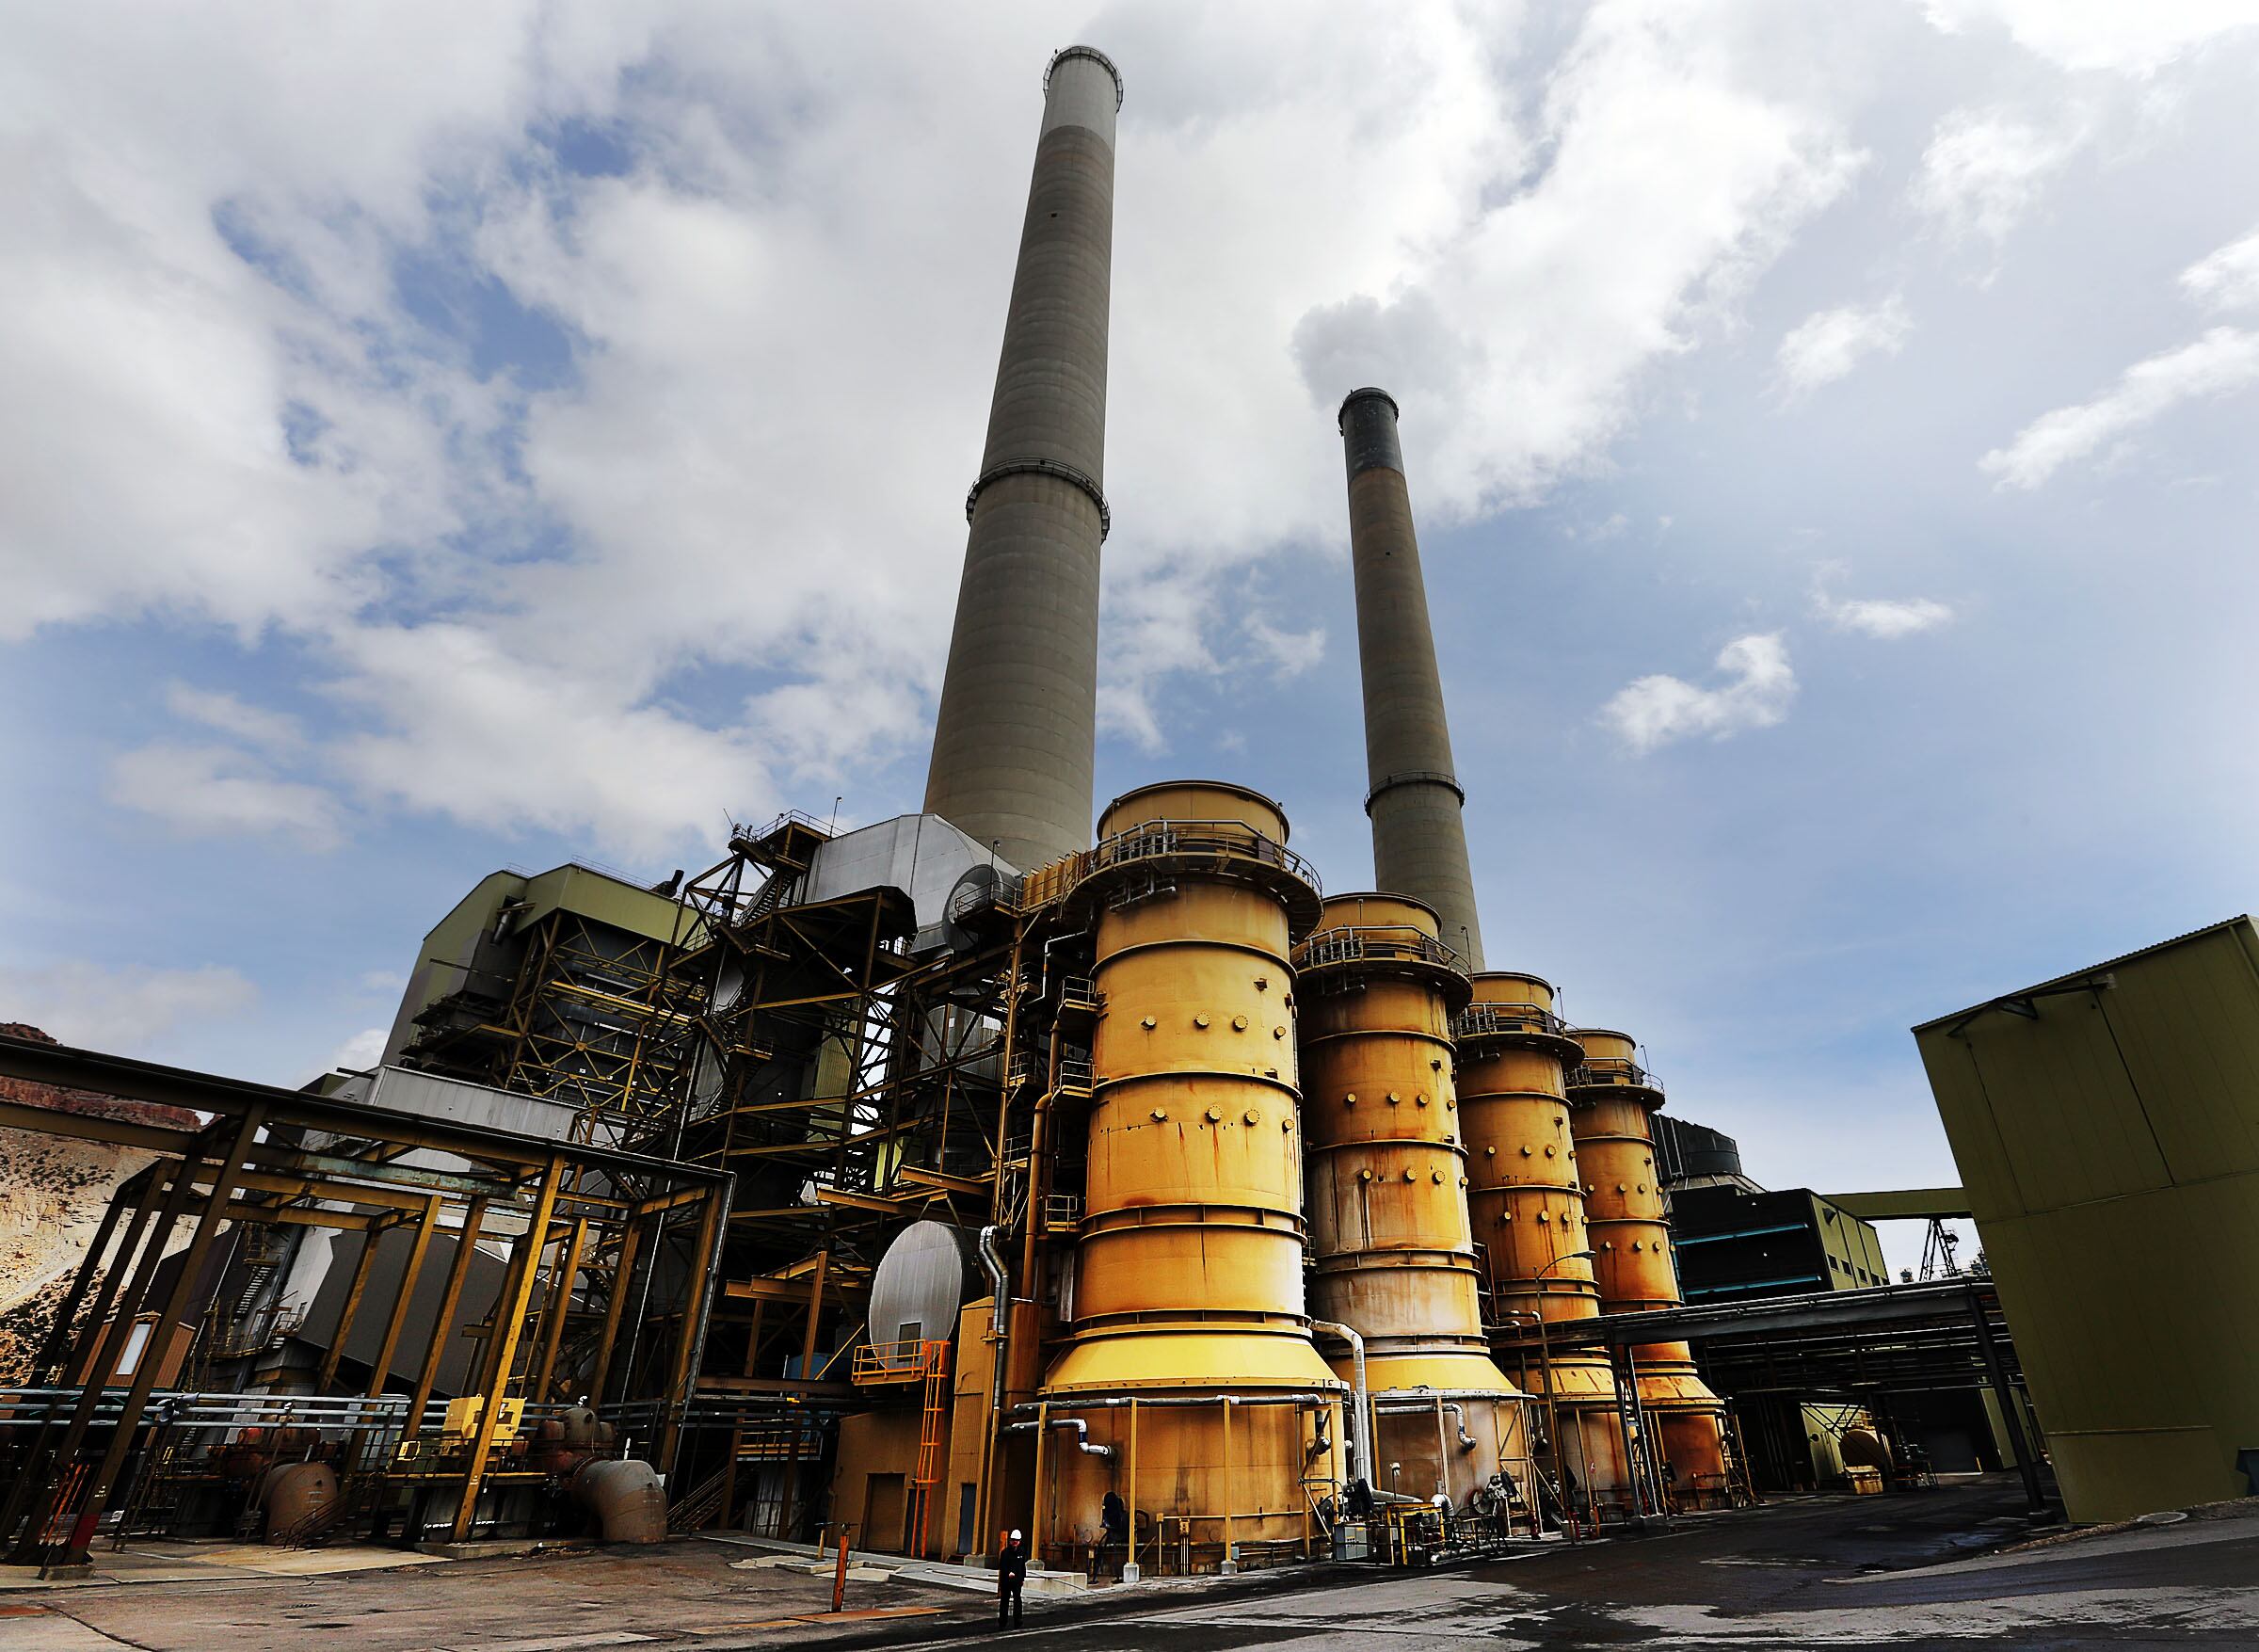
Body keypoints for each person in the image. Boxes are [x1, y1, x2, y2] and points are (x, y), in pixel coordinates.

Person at [997, 1528, 1027, 1628]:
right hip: (1006, 1581)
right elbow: (1002, 1566)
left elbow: (1022, 1566)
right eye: (1013, 1540)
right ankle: (1002, 1622)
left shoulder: (1021, 1552)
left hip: (1017, 1581)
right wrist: (1007, 1573)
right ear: (1010, 1541)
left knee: (1017, 1600)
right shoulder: (1005, 1553)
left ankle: (1018, 1621)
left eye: (1017, 1540)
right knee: (1004, 1601)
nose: (1015, 1542)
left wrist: (1022, 1578)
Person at [1100, 1489, 1128, 1577]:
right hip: (1116, 1535)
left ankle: (1116, 1573)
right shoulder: (1123, 1516)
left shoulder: (1123, 1517)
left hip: (1118, 1535)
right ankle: (1117, 1573)